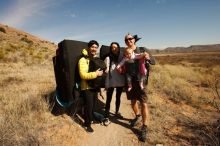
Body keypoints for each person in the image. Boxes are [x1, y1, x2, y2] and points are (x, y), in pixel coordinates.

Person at [124, 33, 155, 142]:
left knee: (143, 103)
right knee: (133, 102)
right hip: (130, 82)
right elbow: (121, 64)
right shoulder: (125, 52)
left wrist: (148, 58)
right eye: (126, 39)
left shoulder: (142, 49)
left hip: (141, 81)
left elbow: (153, 61)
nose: (129, 40)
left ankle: (144, 127)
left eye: (130, 38)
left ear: (134, 40)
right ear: (125, 42)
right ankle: (137, 116)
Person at [78, 40, 104, 133]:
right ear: (88, 48)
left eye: (96, 47)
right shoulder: (83, 60)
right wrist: (96, 74)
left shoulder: (94, 58)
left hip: (94, 86)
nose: (94, 49)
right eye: (92, 47)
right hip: (86, 87)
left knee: (92, 105)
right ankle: (87, 124)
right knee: (88, 106)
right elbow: (83, 75)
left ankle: (90, 118)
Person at [104, 42, 126, 119]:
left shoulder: (122, 57)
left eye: (115, 47)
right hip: (111, 81)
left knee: (118, 97)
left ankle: (117, 112)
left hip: (120, 81)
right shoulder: (108, 58)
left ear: (118, 48)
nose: (114, 49)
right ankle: (106, 113)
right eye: (112, 47)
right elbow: (106, 70)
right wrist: (106, 83)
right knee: (109, 98)